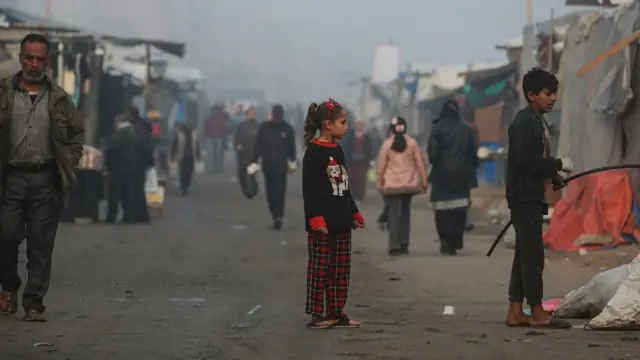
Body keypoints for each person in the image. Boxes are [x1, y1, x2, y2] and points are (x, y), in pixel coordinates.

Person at [0, 33, 84, 321]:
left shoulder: (60, 99)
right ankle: (8, 285)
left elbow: (76, 135)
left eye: (40, 59)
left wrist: (70, 163)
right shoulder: (3, 93)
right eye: (29, 57)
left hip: (45, 180)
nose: (34, 64)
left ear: (47, 62)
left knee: (40, 244)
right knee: (5, 236)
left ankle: (34, 303)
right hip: (9, 178)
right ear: (21, 59)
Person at [505, 68, 574, 329]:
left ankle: (515, 311)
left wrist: (553, 175)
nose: (553, 98)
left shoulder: (538, 121)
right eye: (547, 93)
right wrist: (557, 163)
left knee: (524, 253)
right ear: (531, 95)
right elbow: (525, 160)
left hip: (530, 194)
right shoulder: (524, 122)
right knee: (533, 255)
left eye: (554, 92)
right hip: (523, 196)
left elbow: (535, 160)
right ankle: (536, 311)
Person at [302, 98, 364, 329]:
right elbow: (310, 191)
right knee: (320, 269)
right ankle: (318, 315)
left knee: (341, 270)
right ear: (328, 124)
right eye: (343, 122)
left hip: (341, 221)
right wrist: (315, 218)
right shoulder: (314, 153)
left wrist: (354, 213)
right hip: (322, 224)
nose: (346, 126)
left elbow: (344, 187)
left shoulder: (338, 150)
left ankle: (336, 312)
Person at [427, 100, 477, 256]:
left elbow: (433, 154)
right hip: (461, 177)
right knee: (458, 211)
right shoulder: (466, 129)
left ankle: (445, 242)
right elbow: (472, 153)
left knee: (442, 212)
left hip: (441, 176)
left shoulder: (437, 129)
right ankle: (455, 242)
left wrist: (439, 164)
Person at [376, 117, 428, 256]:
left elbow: (381, 165)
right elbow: (420, 164)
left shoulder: (387, 144)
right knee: (405, 213)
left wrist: (379, 181)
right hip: (408, 184)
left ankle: (394, 245)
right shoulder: (412, 143)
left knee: (393, 214)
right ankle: (404, 244)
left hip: (392, 184)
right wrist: (424, 181)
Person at [248, 104, 296, 230]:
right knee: (272, 193)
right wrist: (254, 160)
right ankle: (275, 214)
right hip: (269, 166)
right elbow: (258, 145)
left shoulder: (287, 129)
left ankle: (278, 216)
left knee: (279, 192)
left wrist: (293, 162)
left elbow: (291, 148)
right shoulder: (265, 127)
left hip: (279, 166)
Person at [105, 115, 142, 222]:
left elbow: (110, 150)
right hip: (131, 168)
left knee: (114, 194)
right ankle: (129, 217)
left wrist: (107, 164)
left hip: (118, 168)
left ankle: (111, 217)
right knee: (128, 194)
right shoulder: (134, 135)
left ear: (119, 122)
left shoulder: (118, 135)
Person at [125, 105, 153, 223]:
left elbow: (143, 145)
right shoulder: (141, 126)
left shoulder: (138, 127)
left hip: (138, 163)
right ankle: (140, 215)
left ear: (132, 115)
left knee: (136, 190)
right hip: (139, 162)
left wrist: (148, 161)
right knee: (137, 190)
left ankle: (140, 216)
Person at [234, 107, 260, 196]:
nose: (252, 114)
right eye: (250, 113)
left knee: (252, 173)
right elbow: (236, 137)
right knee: (242, 172)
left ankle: (252, 189)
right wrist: (237, 145)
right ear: (247, 114)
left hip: (253, 154)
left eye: (253, 113)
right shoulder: (241, 125)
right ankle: (244, 186)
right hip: (242, 153)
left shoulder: (257, 125)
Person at [171, 121, 201, 196]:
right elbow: (174, 146)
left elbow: (197, 145)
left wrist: (198, 154)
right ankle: (184, 186)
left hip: (190, 156)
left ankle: (185, 186)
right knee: (184, 172)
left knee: (188, 172)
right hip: (182, 156)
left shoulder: (193, 134)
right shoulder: (180, 135)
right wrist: (173, 155)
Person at [346, 120, 372, 201]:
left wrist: (368, 159)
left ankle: (360, 196)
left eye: (361, 125)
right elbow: (346, 146)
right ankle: (354, 195)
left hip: (363, 161)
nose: (360, 127)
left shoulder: (367, 136)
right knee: (351, 178)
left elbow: (369, 148)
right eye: (358, 125)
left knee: (361, 179)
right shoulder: (350, 135)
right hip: (351, 161)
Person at [204, 104, 229, 173]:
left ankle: (215, 168)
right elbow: (225, 128)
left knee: (214, 154)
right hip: (217, 137)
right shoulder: (220, 117)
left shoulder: (210, 118)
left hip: (214, 137)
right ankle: (217, 168)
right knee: (217, 154)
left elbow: (206, 128)